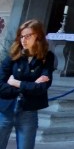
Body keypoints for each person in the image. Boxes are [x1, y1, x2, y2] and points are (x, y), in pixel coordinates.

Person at [0, 19, 54, 149]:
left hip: (28, 112)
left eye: (28, 36)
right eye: (21, 36)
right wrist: (29, 86)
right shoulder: (13, 56)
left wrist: (15, 82)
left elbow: (41, 87)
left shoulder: (47, 57)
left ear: (38, 36)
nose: (23, 40)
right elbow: (0, 85)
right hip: (5, 110)